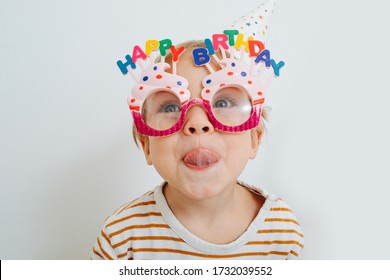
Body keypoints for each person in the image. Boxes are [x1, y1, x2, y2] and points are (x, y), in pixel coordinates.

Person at [91, 1, 304, 260]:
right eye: (170, 106)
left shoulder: (281, 231)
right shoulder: (121, 237)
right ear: (147, 146)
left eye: (223, 102)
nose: (197, 122)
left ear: (254, 140)